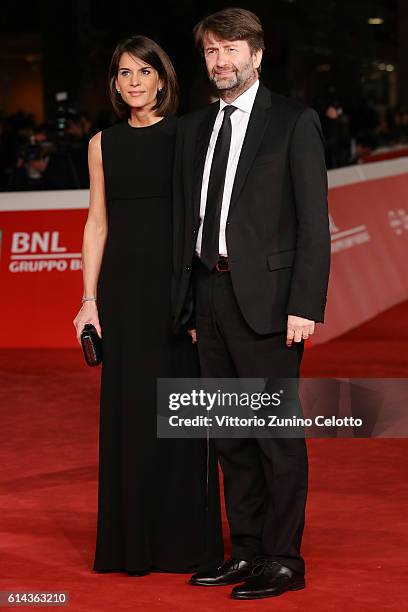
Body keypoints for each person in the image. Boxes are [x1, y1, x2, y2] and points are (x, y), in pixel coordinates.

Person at [172, 8, 330, 600]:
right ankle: (245, 552)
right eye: (212, 51)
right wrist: (189, 303)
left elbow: (315, 222)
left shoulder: (293, 122)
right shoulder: (196, 127)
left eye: (231, 50)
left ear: (256, 55)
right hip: (209, 296)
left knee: (274, 437)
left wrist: (304, 304)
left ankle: (284, 559)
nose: (220, 61)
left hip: (268, 303)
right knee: (231, 434)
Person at [73, 35, 223, 576]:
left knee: (180, 417)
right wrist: (89, 301)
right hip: (123, 294)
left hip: (176, 293)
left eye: (144, 72)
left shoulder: (189, 135)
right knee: (131, 416)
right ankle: (128, 544)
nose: (133, 82)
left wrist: (199, 297)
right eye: (123, 74)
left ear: (162, 78)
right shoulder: (102, 144)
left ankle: (183, 544)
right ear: (114, 84)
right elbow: (97, 223)